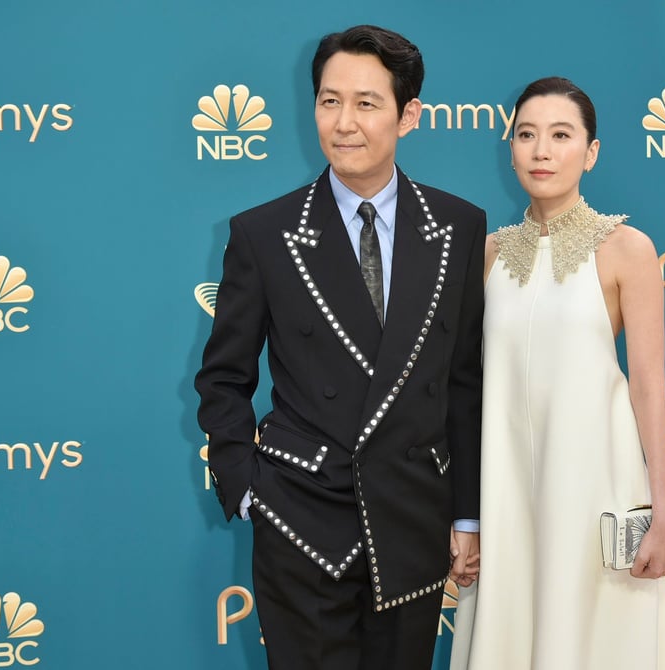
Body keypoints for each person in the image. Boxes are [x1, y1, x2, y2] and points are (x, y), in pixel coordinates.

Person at [195, 24, 484, 670]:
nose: (344, 123)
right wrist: (247, 488)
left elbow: (465, 382)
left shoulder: (458, 228)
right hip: (301, 523)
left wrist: (467, 516)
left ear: (409, 116)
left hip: (411, 525)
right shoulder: (264, 235)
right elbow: (223, 381)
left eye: (366, 103)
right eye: (329, 101)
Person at [450, 77, 665, 669]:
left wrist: (661, 514)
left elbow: (649, 387)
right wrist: (466, 517)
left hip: (595, 493)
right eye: (526, 135)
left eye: (560, 135)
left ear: (591, 151)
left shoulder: (627, 249)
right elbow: (469, 392)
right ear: (510, 148)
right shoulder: (490, 255)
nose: (541, 151)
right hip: (506, 496)